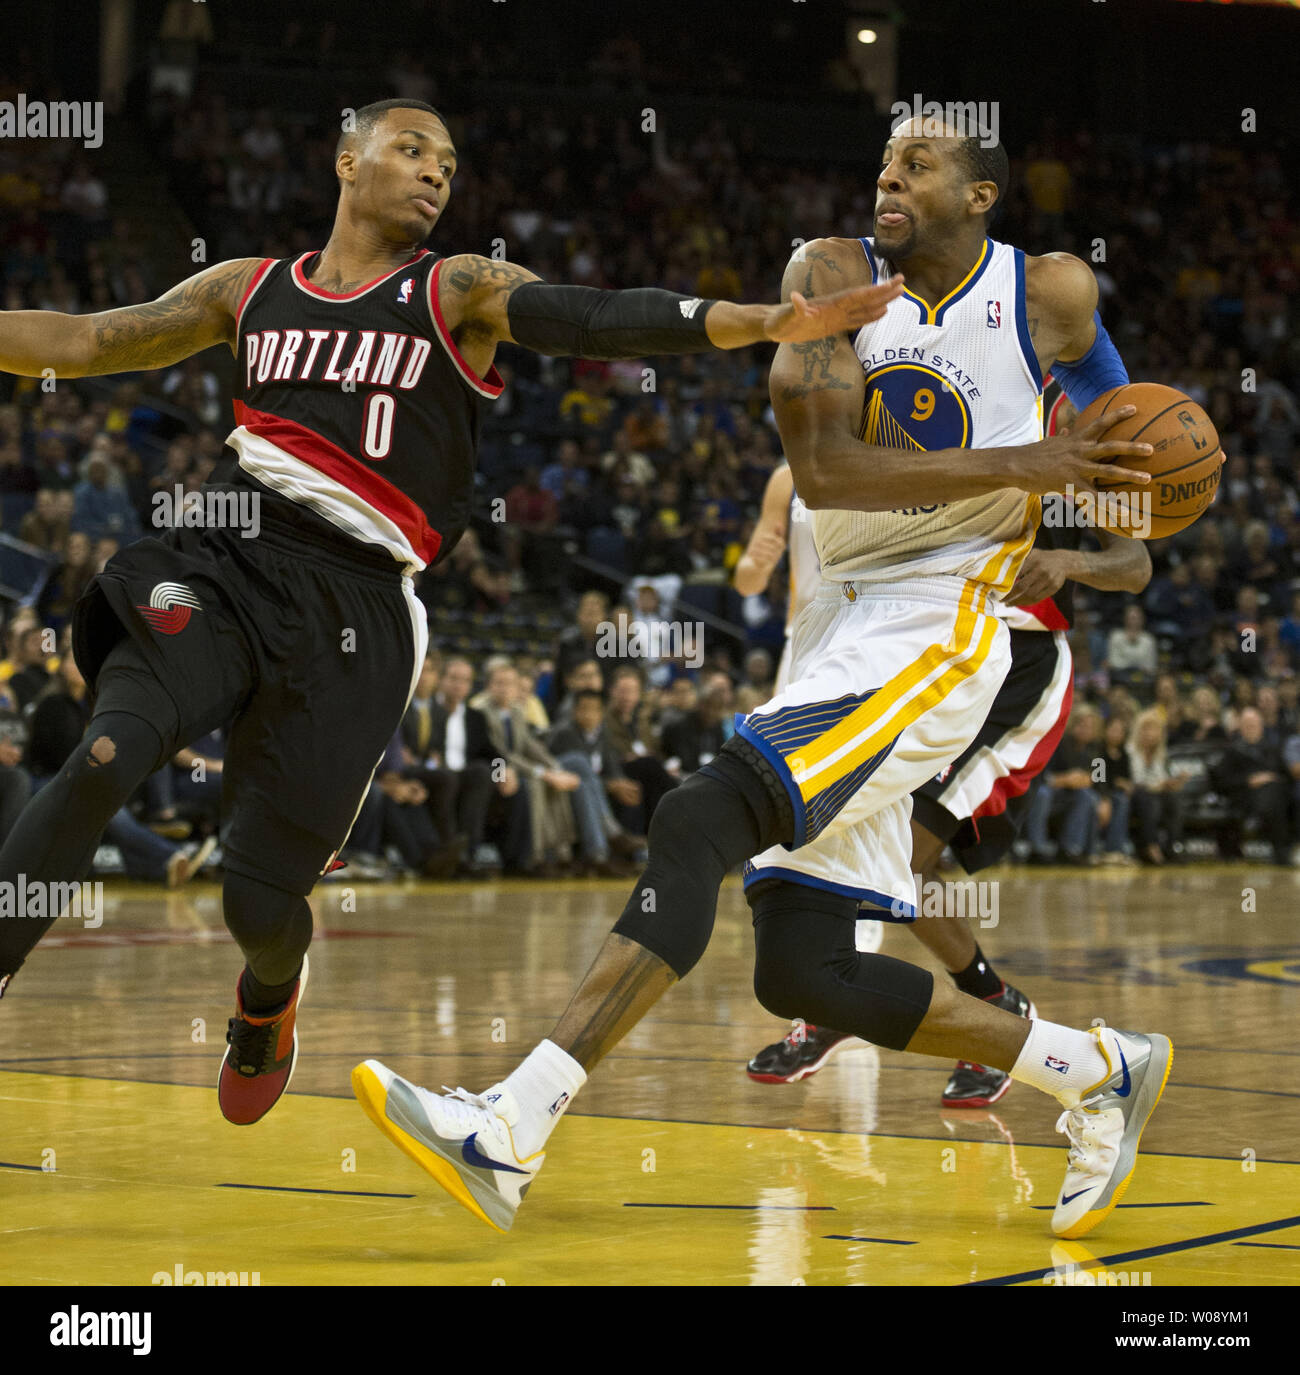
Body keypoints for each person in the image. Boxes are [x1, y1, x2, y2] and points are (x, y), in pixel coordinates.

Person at [353, 114, 1176, 1242]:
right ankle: (1099, 1069)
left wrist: (1092, 545)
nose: (888, 178)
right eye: (882, 163)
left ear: (983, 196)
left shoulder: (1052, 297)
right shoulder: (830, 279)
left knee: (696, 819)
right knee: (806, 973)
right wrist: (1021, 463)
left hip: (941, 624)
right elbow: (826, 474)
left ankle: (512, 1121)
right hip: (840, 620)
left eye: (920, 164)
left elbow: (1134, 503)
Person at [0, 98, 893, 1129]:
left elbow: (590, 316)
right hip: (225, 555)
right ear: (346, 160)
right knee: (109, 750)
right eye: (411, 150)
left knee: (259, 901)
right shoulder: (246, 287)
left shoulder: (456, 288)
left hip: (360, 603)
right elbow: (87, 335)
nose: (435, 173)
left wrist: (750, 321)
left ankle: (268, 996)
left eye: (449, 162)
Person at [743, 379, 1151, 1103]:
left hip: (1016, 665)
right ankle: (947, 1000)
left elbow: (1134, 562)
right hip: (915, 646)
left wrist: (1071, 563)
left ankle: (934, 1008)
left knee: (906, 854)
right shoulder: (926, 394)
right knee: (857, 835)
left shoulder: (1075, 425)